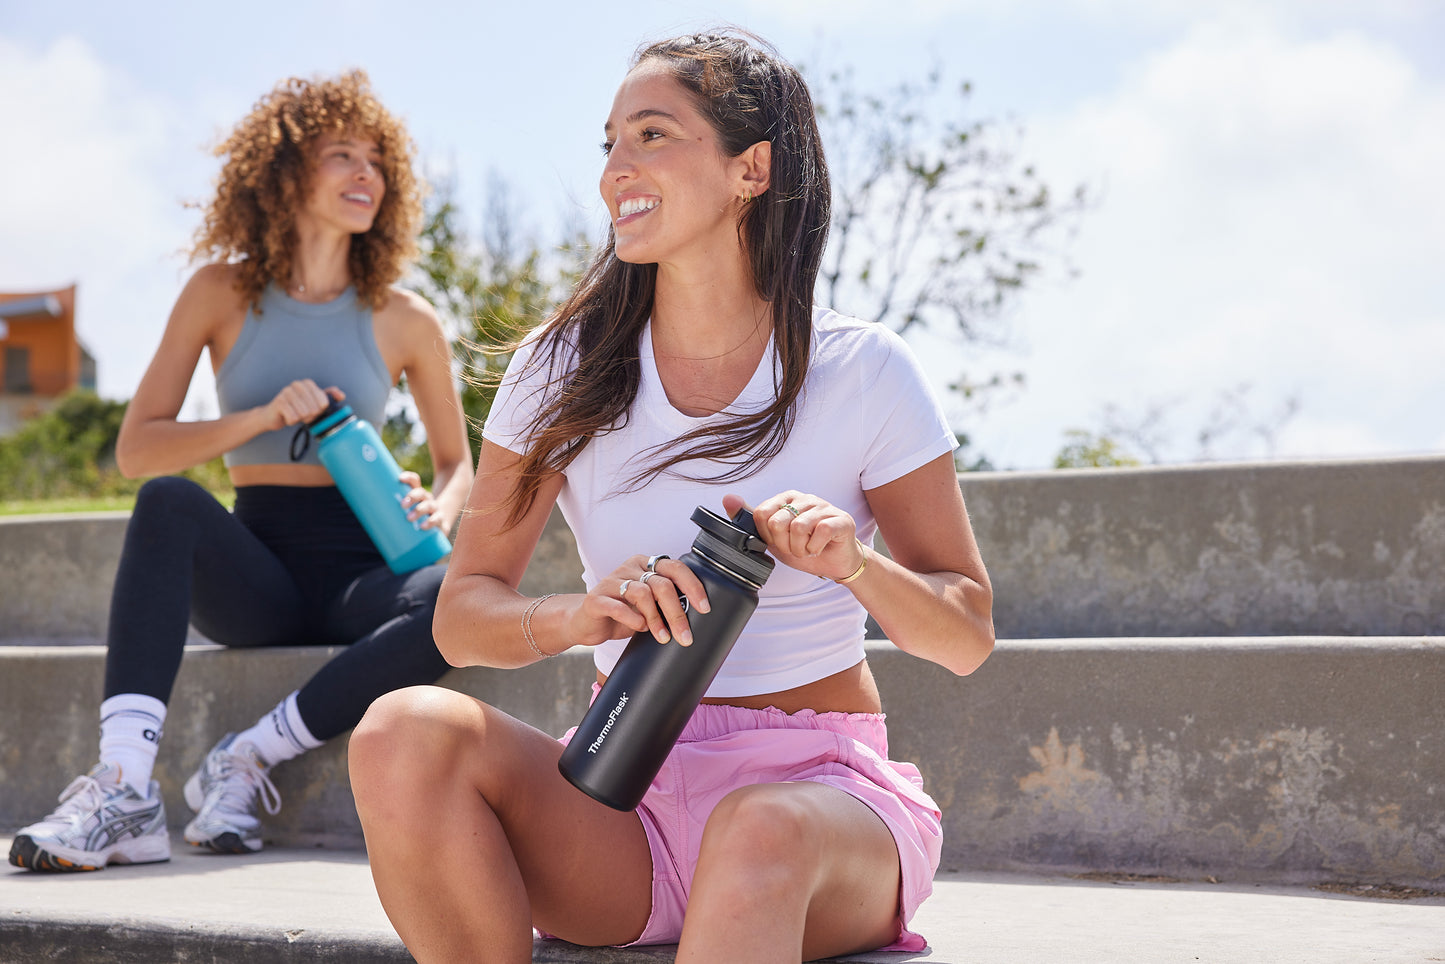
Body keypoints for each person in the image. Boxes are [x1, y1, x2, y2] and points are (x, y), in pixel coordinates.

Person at [348, 32, 994, 964]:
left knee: (757, 826)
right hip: (622, 789)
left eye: (651, 135)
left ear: (750, 168)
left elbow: (965, 634)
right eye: (608, 143)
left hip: (818, 804)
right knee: (401, 729)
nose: (616, 170)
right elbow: (461, 619)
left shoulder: (863, 370)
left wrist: (855, 565)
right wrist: (583, 614)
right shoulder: (557, 370)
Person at [8, 71, 472, 872]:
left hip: (368, 569)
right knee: (167, 500)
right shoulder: (219, 291)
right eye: (342, 155)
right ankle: (124, 788)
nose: (368, 174)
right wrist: (259, 420)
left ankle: (250, 754)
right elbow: (136, 449)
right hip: (259, 574)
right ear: (285, 172)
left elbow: (456, 460)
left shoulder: (406, 317)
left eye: (376, 160)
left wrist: (442, 505)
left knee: (460, 601)